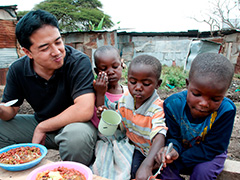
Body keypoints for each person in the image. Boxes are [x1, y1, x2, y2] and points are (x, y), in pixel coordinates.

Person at [0, 9, 97, 166]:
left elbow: (84, 109)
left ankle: (71, 173)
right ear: (27, 52)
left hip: (75, 126)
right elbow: (10, 111)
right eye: (45, 48)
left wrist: (42, 127)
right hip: (39, 125)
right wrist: (1, 109)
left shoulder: (78, 62)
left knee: (76, 137)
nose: (57, 51)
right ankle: (18, 170)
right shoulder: (18, 70)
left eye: (58, 42)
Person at [155, 52, 236, 180]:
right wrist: (173, 149)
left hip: (210, 154)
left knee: (203, 173)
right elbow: (173, 136)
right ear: (188, 84)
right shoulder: (172, 105)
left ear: (225, 93)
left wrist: (180, 160)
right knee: (164, 169)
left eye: (215, 99)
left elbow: (214, 147)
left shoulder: (226, 111)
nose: (204, 104)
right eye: (197, 94)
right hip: (181, 150)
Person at [118, 54, 167, 180]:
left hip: (151, 153)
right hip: (135, 147)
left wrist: (147, 164)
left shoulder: (156, 108)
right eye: (133, 82)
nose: (138, 88)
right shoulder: (125, 99)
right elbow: (118, 116)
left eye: (145, 84)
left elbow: (160, 136)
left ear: (157, 84)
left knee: (143, 173)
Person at [90, 45, 134, 180]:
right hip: (106, 140)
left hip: (126, 140)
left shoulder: (129, 92)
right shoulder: (96, 92)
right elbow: (99, 124)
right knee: (103, 168)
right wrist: (100, 94)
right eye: (104, 69)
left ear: (122, 65)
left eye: (115, 66)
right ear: (97, 71)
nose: (110, 72)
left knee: (127, 167)